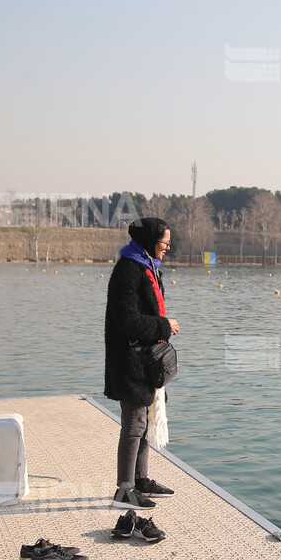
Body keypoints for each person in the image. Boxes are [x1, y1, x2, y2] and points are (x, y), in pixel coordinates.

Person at [105, 217, 180, 509]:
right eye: (164, 242)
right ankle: (125, 490)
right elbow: (126, 321)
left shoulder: (147, 267)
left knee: (146, 422)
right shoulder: (128, 270)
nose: (167, 248)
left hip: (145, 361)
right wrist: (163, 325)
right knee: (135, 425)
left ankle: (141, 479)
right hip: (129, 360)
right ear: (150, 241)